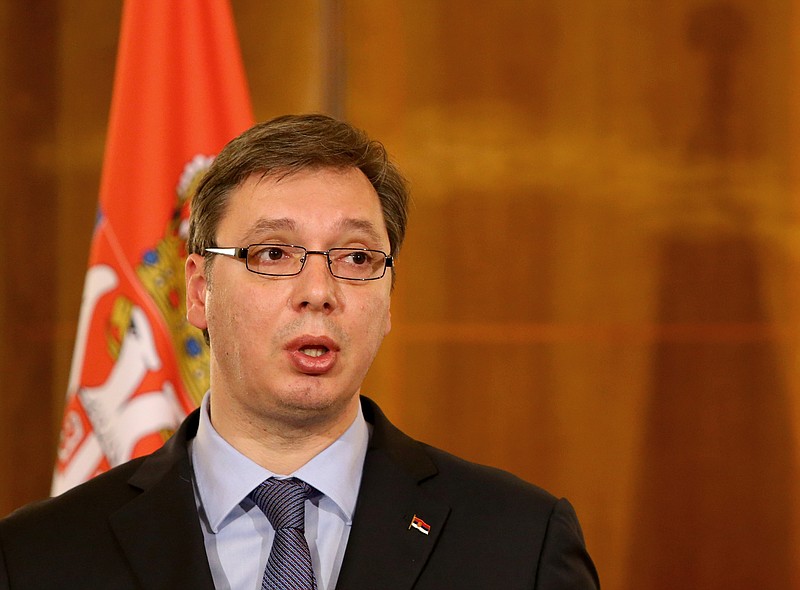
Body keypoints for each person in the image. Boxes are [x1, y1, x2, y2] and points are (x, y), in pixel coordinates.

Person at [0, 114, 600, 589]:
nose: (319, 292)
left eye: (357, 258)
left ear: (389, 300)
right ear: (200, 293)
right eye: (272, 255)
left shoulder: (520, 545)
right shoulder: (38, 558)